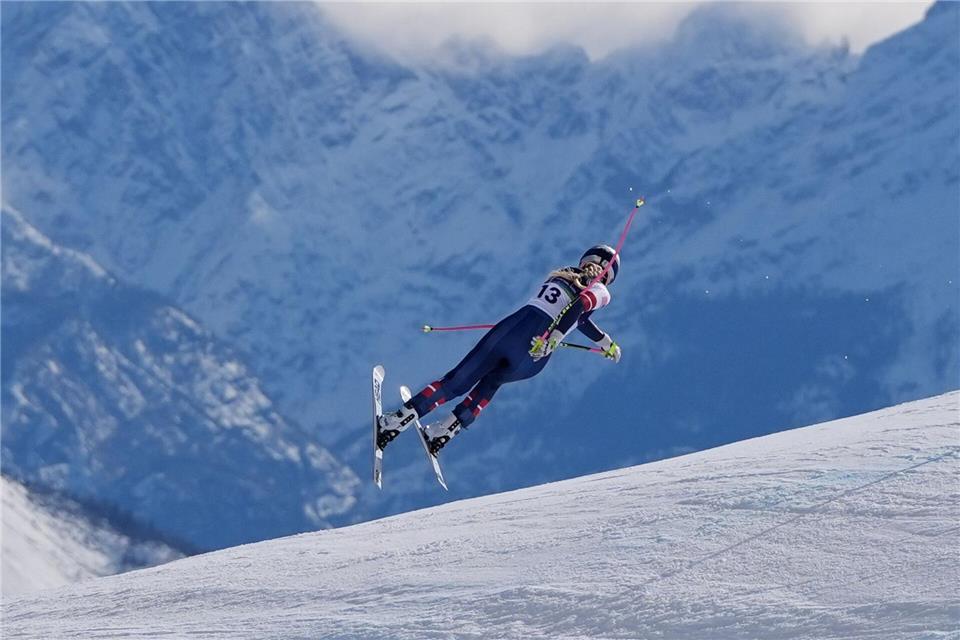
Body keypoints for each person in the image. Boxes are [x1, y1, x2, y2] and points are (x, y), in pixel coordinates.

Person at [378, 244, 622, 455]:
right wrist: (602, 342)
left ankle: (397, 421)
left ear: (585, 259)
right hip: (535, 357)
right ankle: (445, 430)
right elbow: (579, 313)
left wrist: (592, 339)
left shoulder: (564, 274)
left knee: (457, 382)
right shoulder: (601, 291)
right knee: (492, 383)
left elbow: (577, 310)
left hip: (515, 330)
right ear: (609, 276)